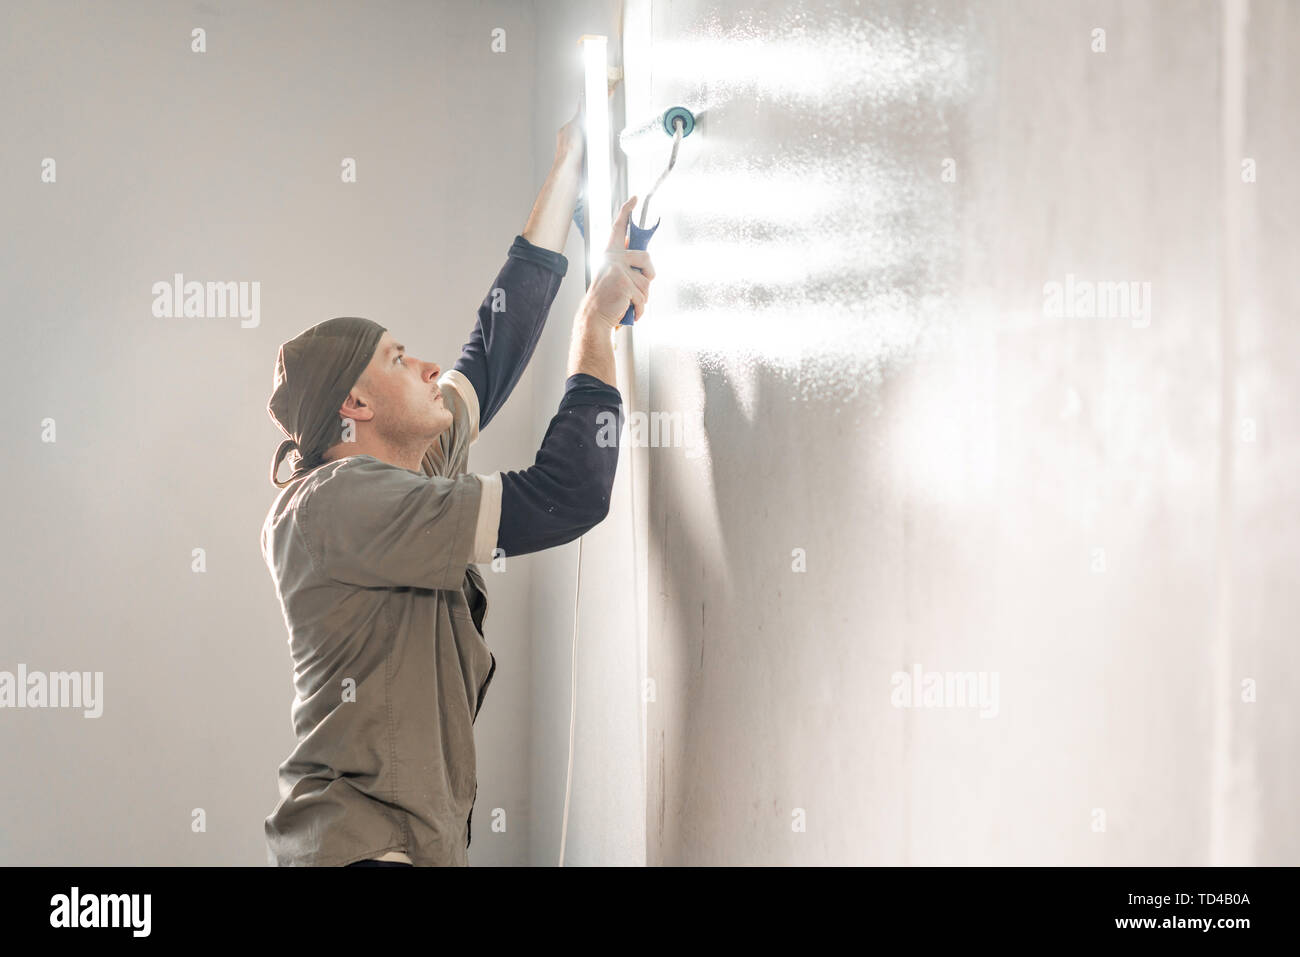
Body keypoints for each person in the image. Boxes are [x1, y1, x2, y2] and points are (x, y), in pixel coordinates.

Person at [259, 104, 655, 866]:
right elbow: (566, 492)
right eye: (398, 356)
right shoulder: (337, 504)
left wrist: (569, 164)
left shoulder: (402, 480)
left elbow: (492, 350)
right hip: (360, 848)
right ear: (356, 403)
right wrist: (594, 328)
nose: (429, 365)